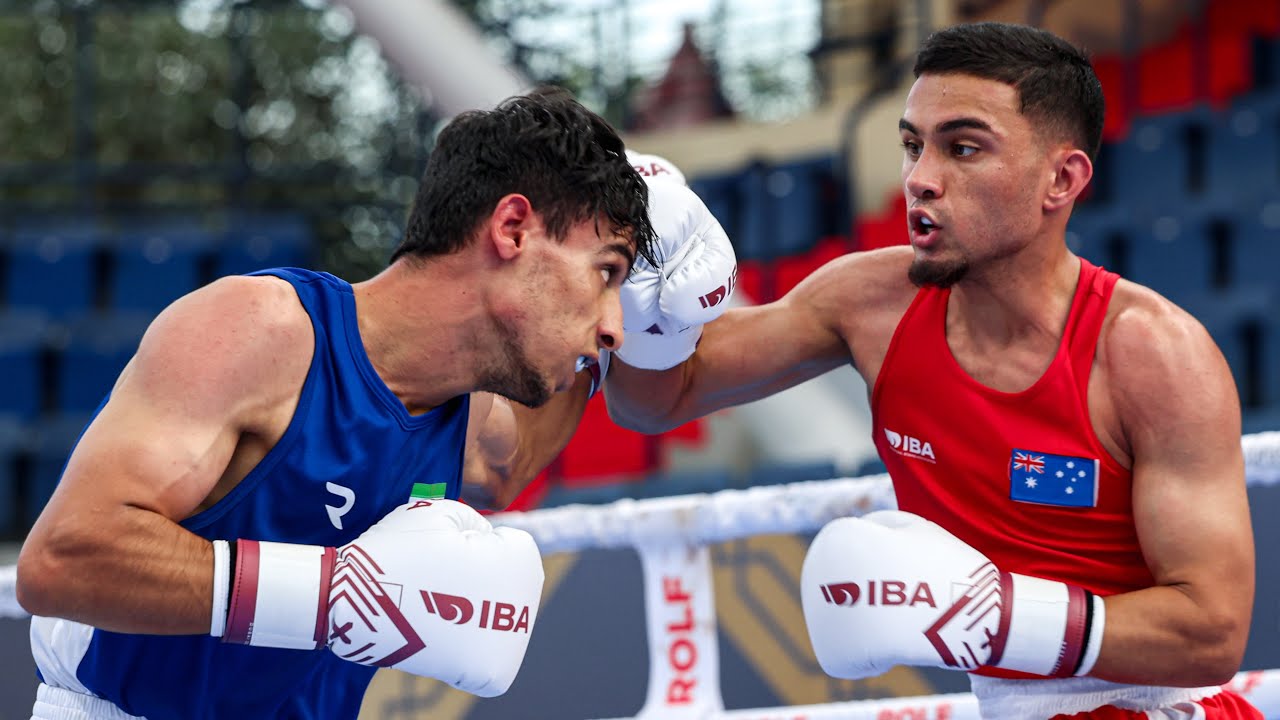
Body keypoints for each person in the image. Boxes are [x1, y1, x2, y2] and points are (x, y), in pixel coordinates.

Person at [605, 22, 1260, 720]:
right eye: (913, 145)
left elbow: (1212, 630)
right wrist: (652, 302)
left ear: (1061, 179)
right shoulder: (870, 302)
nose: (920, 179)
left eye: (963, 148)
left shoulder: (1150, 353)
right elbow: (656, 401)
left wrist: (999, 617)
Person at [14, 87, 658, 720]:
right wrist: (331, 597)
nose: (615, 328)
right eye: (605, 272)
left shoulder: (465, 419)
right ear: (512, 228)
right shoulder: (264, 332)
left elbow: (510, 462)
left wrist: (683, 316)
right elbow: (63, 558)